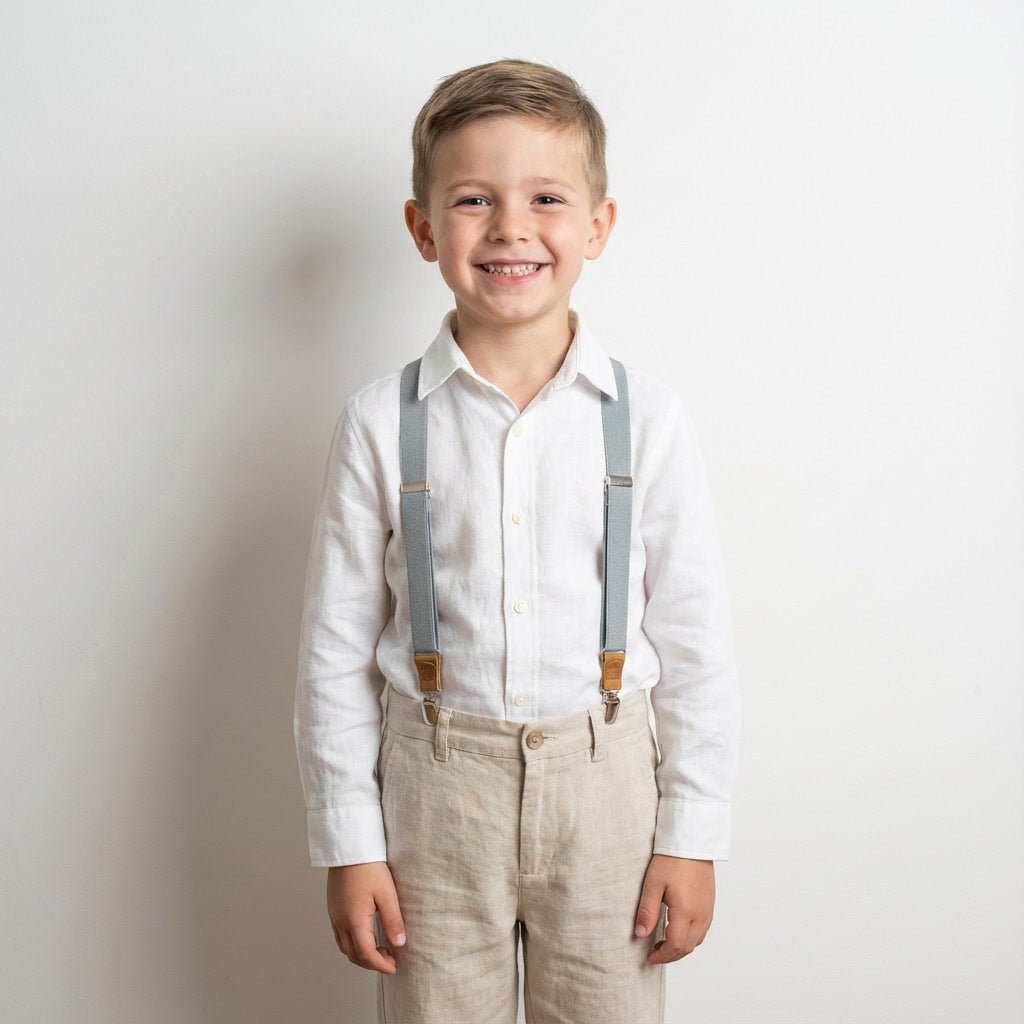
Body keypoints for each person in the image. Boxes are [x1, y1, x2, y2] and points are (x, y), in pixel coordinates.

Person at [293, 57, 741, 1024]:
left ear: (597, 226)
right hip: (434, 799)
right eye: (472, 199)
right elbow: (334, 652)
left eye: (546, 197)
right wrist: (350, 843)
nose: (510, 227)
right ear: (423, 228)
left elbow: (697, 643)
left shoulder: (649, 420)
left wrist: (691, 835)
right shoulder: (378, 423)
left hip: (610, 794)